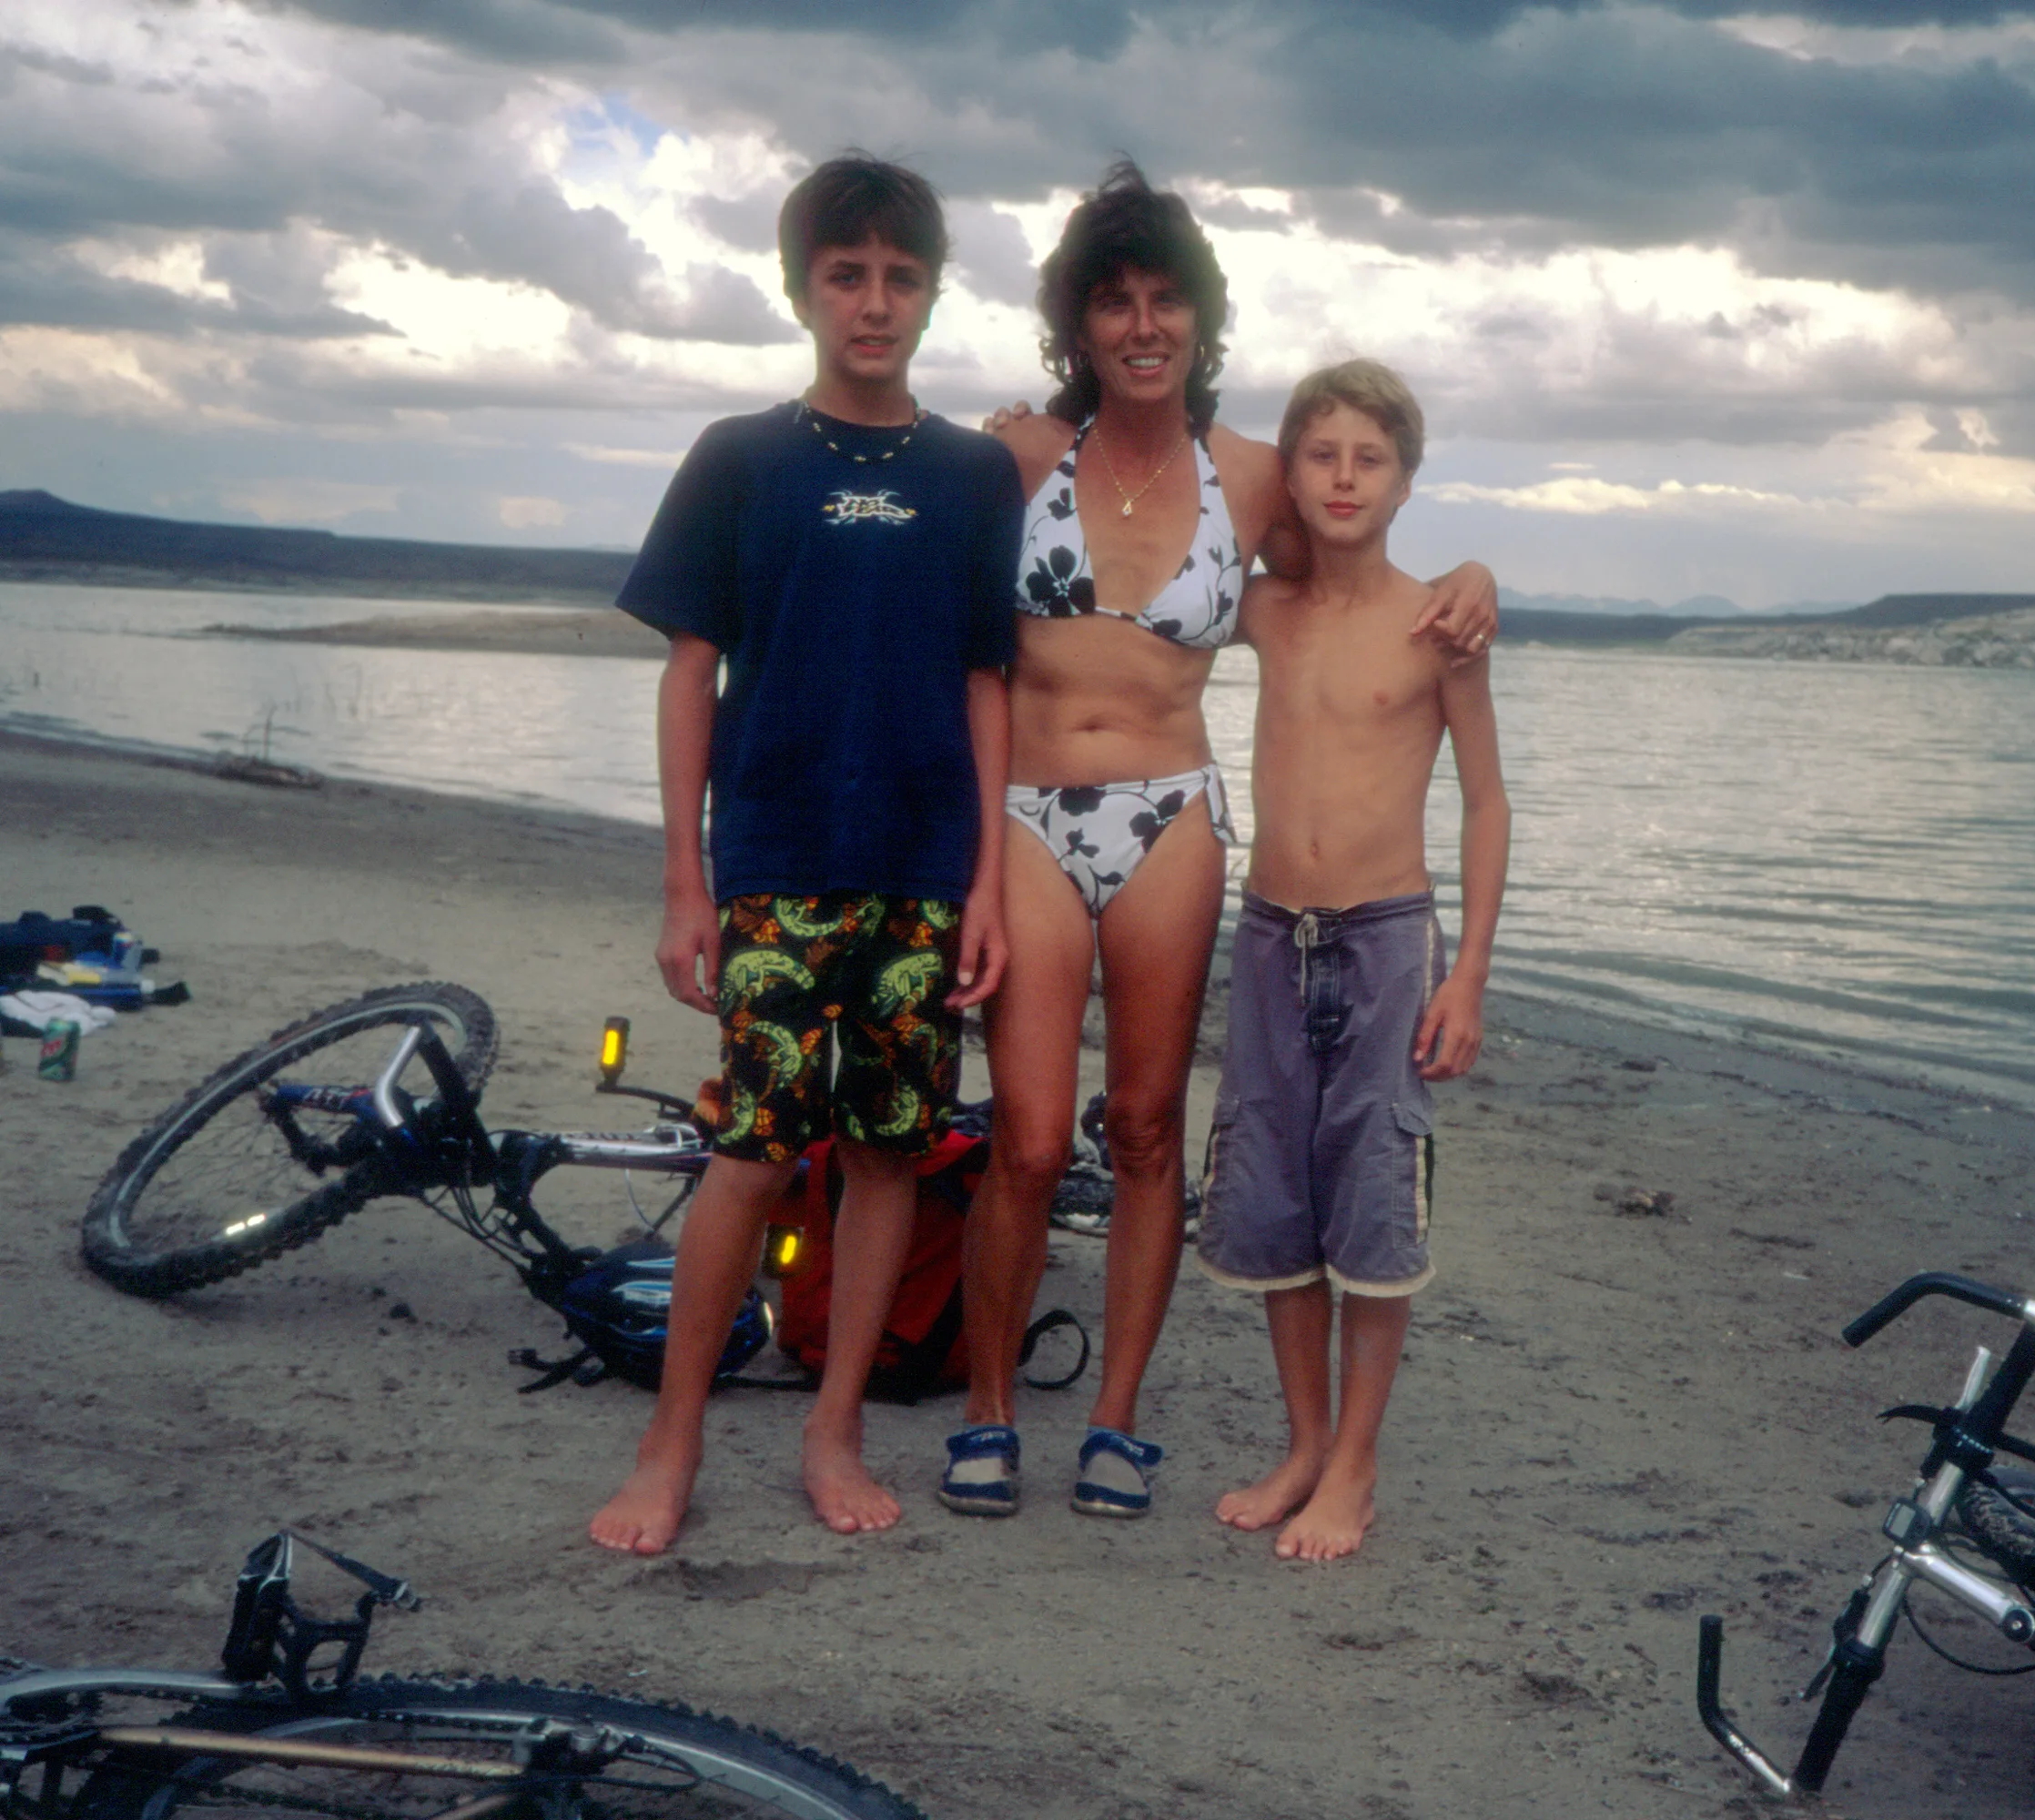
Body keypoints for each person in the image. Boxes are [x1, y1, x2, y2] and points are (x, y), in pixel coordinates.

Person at [947, 163, 1498, 1521]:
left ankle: (1119, 1421)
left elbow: (1353, 587)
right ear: (1078, 324)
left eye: (1166, 302)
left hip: (1174, 818)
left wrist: (1477, 579)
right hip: (1026, 811)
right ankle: (987, 1405)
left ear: (1202, 321)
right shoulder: (1019, 459)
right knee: (1024, 1138)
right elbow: (940, 621)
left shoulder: (1249, 473)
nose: (1143, 326)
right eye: (1114, 302)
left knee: (1144, 1126)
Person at [588, 154, 1023, 1556]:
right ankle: (674, 1439)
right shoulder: (739, 457)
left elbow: (986, 683)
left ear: (933, 295)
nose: (874, 302)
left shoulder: (966, 476)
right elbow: (689, 670)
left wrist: (988, 886)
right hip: (772, 860)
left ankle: (834, 1424)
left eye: (901, 277)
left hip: (919, 869)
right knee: (754, 1148)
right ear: (801, 291)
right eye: (847, 274)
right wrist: (683, 881)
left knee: (892, 1152)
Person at [1194, 358, 1508, 1562]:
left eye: (1368, 458)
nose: (1341, 477)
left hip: (1386, 942)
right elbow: (1184, 545)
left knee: (1372, 1201)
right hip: (1272, 933)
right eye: (1320, 455)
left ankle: (1358, 1470)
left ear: (1406, 480)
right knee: (1274, 1193)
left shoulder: (1442, 620)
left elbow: (1486, 803)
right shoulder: (1264, 609)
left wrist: (1467, 971)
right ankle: (1305, 1445)